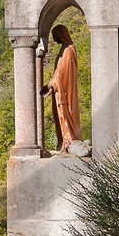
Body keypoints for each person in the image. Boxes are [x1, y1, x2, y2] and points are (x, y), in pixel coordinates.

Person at [42, 23, 81, 151]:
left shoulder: (68, 51)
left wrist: (48, 85)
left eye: (55, 36)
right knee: (60, 116)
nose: (54, 39)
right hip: (59, 90)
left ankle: (69, 142)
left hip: (64, 91)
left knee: (65, 115)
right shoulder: (64, 50)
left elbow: (61, 73)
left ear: (61, 35)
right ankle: (63, 142)